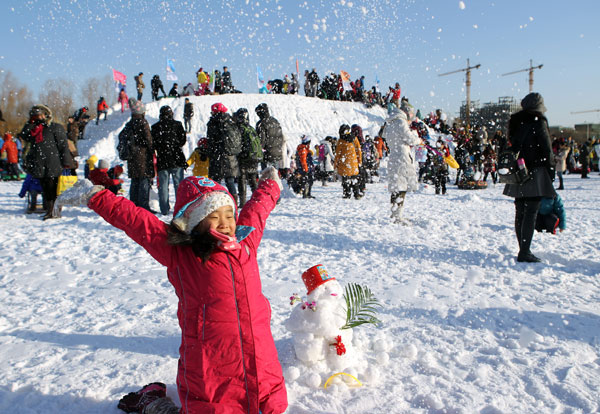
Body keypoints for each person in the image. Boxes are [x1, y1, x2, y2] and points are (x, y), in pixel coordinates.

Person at [56, 169, 288, 414]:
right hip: (210, 358)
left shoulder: (245, 243)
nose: (226, 223)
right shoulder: (182, 254)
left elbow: (257, 212)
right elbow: (137, 221)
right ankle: (152, 402)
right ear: (195, 221)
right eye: (214, 215)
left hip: (259, 353)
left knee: (275, 405)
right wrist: (94, 196)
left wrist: (270, 185)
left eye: (229, 214)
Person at [503, 92, 556, 263]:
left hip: (519, 169)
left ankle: (523, 248)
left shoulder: (515, 122)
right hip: (536, 170)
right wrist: (551, 170)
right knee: (531, 211)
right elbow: (547, 150)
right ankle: (525, 251)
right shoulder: (538, 121)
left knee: (520, 211)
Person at [18, 104, 73, 219]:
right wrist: (30, 122)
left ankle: (54, 211)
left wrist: (67, 162)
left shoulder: (55, 127)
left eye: (40, 115)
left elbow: (63, 145)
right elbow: (24, 135)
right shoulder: (33, 129)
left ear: (46, 115)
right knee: (45, 189)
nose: (38, 117)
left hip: (53, 163)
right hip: (39, 164)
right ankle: (49, 210)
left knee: (53, 189)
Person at [382, 101, 421, 223]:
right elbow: (409, 138)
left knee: (396, 187)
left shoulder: (390, 123)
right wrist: (418, 140)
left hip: (394, 156)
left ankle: (395, 214)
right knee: (401, 187)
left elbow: (386, 137)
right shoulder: (400, 122)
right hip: (402, 157)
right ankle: (397, 216)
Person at [151, 105, 188, 216]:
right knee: (179, 186)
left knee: (163, 187)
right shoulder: (177, 125)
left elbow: (153, 145)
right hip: (176, 158)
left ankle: (164, 209)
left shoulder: (155, 127)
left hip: (162, 159)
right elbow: (182, 141)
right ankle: (180, 208)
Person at [121, 98, 154, 211]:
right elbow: (148, 140)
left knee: (135, 181)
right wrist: (152, 149)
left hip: (132, 157)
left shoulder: (129, 124)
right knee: (144, 180)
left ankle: (133, 205)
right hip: (142, 156)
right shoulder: (143, 122)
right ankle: (143, 206)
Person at [206, 102, 241, 200]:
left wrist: (211, 152)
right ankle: (234, 200)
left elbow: (211, 141)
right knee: (229, 181)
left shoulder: (214, 122)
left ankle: (214, 201)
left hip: (218, 156)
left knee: (215, 182)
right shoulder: (230, 121)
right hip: (230, 156)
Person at [233, 108, 262, 207]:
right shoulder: (251, 128)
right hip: (254, 157)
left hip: (244, 157)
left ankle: (242, 202)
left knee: (242, 179)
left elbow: (237, 144)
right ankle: (257, 199)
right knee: (253, 179)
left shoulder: (239, 128)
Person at [334, 124, 362, 199]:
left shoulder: (340, 141)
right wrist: (359, 161)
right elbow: (358, 151)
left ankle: (347, 194)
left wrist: (335, 165)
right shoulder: (354, 138)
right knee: (355, 179)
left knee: (346, 181)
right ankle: (356, 194)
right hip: (353, 164)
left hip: (344, 165)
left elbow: (338, 155)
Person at [255, 103, 284, 170]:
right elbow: (280, 137)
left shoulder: (261, 123)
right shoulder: (275, 121)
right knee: (274, 175)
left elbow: (261, 141)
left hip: (267, 154)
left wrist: (259, 151)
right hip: (277, 152)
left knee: (266, 176)